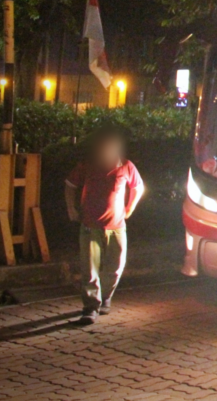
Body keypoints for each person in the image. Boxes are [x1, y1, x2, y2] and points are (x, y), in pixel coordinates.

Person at [65, 126, 144, 325]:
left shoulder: (126, 167)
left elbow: (138, 187)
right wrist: (71, 209)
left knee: (116, 266)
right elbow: (70, 185)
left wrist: (130, 208)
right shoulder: (87, 166)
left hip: (116, 226)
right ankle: (90, 306)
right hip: (90, 226)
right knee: (89, 269)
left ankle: (106, 297)